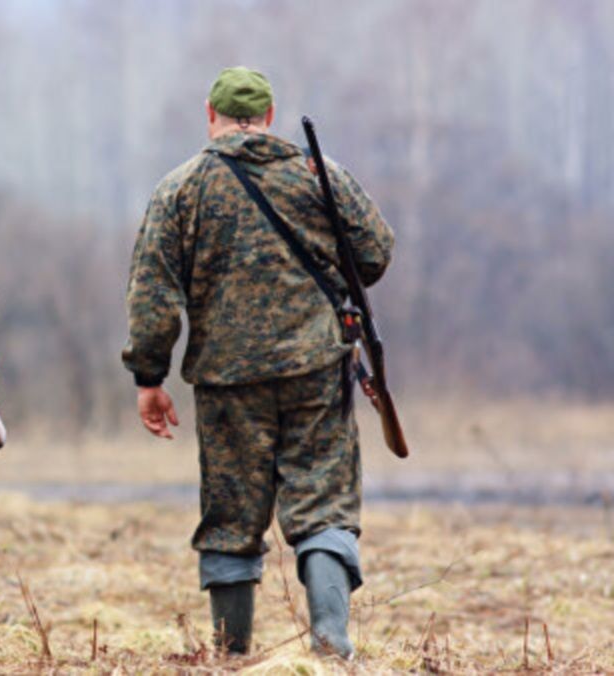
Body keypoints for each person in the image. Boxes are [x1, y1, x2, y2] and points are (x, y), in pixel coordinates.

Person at [121, 67, 395, 658]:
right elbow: (374, 256)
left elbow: (152, 296)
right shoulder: (322, 176)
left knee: (231, 518)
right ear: (269, 116)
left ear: (210, 113)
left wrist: (150, 377)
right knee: (323, 505)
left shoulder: (181, 189)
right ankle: (330, 638)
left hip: (227, 383)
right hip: (317, 372)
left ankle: (230, 656)